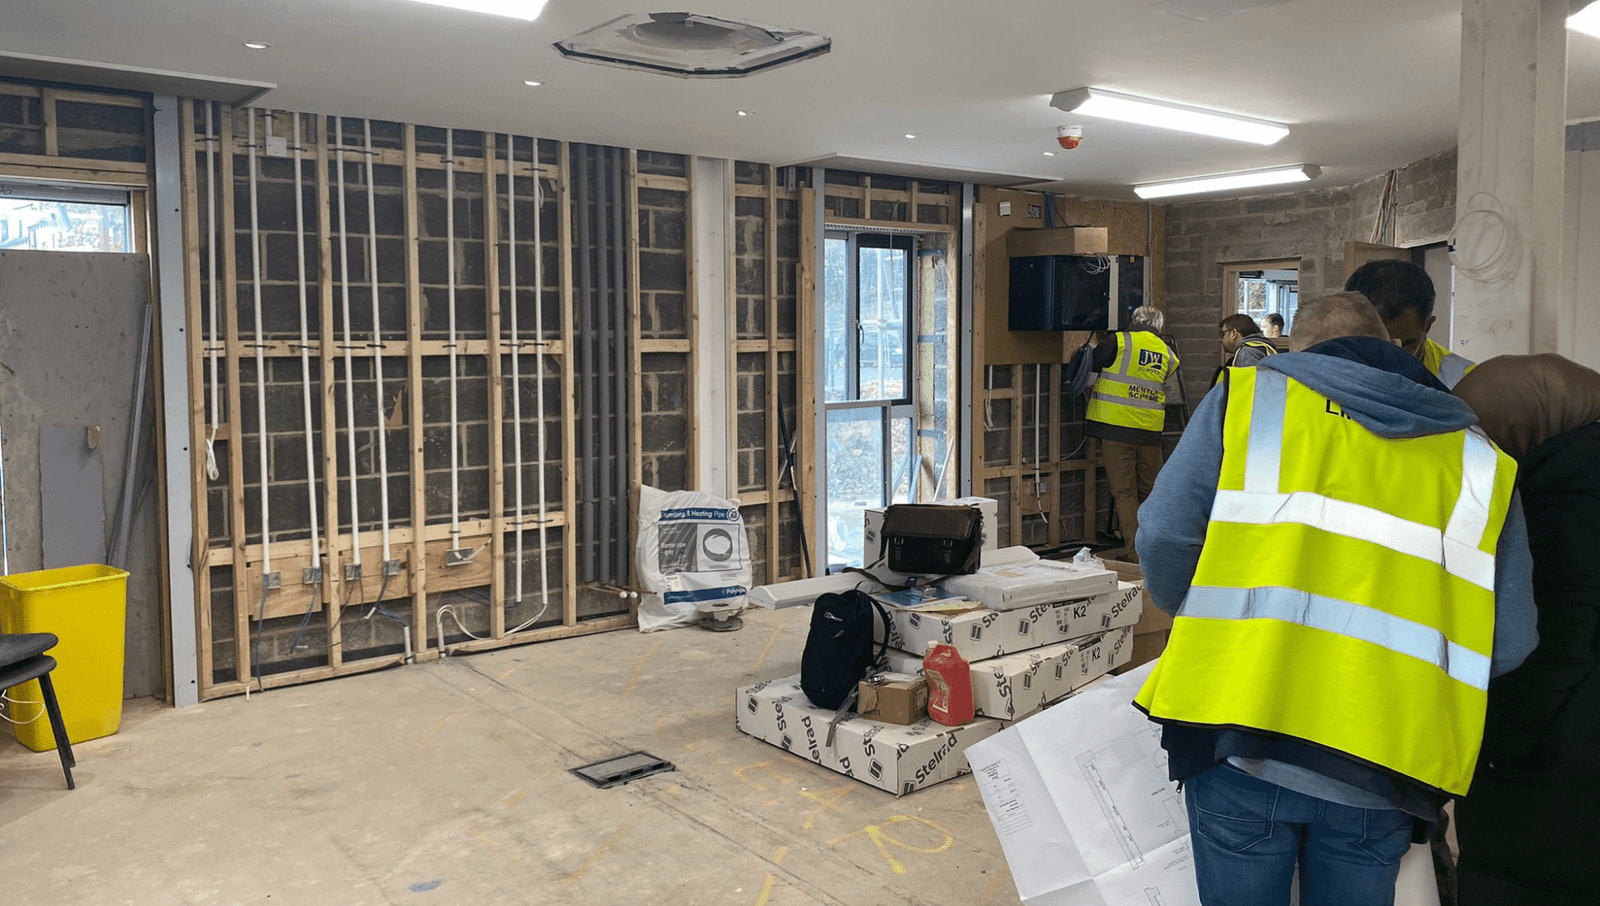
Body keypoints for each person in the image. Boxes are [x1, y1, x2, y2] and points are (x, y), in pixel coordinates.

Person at [1132, 291, 1537, 906]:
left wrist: (1204, 614)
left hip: (1241, 729)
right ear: (1390, 343)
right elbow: (1509, 642)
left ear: (1301, 349)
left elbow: (1163, 532)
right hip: (1383, 763)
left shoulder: (1251, 400)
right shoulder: (1478, 459)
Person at [1450, 354, 1600, 906]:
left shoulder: (1570, 493)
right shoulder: (1574, 469)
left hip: (1556, 784)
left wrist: (1492, 750)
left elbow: (1560, 639)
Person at [1085, 305, 1179, 561]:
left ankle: (1137, 555)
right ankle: (1158, 553)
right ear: (1158, 325)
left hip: (1116, 428)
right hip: (1149, 432)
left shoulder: (1119, 341)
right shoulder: (1166, 352)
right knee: (1149, 493)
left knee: (1125, 494)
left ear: (1135, 320)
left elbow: (1091, 362)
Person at [1345, 258, 1475, 388]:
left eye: (1406, 345)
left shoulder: (1466, 382)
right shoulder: (1330, 366)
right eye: (1378, 344)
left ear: (1427, 326)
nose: (1391, 358)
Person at [1212, 313, 1277, 385]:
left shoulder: (1247, 353)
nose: (1221, 340)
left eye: (1223, 334)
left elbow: (1251, 386)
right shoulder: (1262, 347)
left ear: (1234, 333)